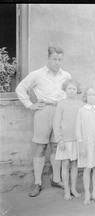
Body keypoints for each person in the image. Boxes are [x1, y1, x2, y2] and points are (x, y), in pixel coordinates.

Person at [16, 46, 71, 197]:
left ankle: (56, 178)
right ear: (48, 58)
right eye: (54, 59)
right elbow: (20, 88)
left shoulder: (66, 75)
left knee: (56, 146)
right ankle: (37, 183)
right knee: (40, 147)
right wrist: (30, 105)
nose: (57, 62)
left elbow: (70, 93)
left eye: (60, 59)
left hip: (60, 111)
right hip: (44, 111)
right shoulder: (37, 74)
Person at [53, 79, 83, 200]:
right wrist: (60, 139)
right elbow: (56, 123)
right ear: (65, 89)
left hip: (76, 139)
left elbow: (83, 122)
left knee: (75, 164)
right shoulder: (61, 104)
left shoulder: (81, 104)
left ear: (77, 90)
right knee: (65, 164)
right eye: (69, 88)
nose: (71, 91)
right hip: (65, 140)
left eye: (74, 89)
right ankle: (66, 189)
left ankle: (73, 188)